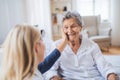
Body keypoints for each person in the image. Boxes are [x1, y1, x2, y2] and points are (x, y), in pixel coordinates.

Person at [45, 11, 118, 80]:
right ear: (62, 30)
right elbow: (50, 69)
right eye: (66, 27)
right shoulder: (57, 46)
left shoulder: (92, 45)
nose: (69, 31)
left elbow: (104, 66)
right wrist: (54, 77)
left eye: (73, 26)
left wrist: (111, 76)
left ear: (81, 28)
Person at [0, 24, 68, 80]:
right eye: (41, 40)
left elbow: (46, 63)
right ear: (36, 47)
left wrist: (64, 42)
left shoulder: (21, 72)